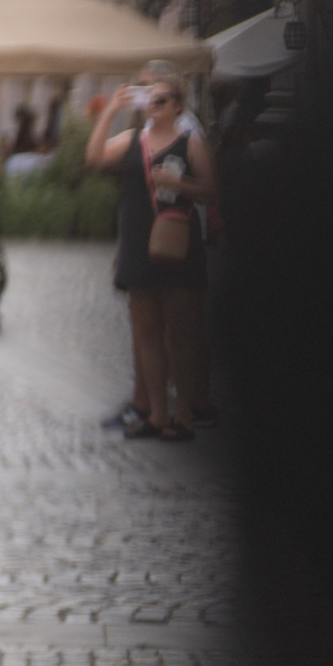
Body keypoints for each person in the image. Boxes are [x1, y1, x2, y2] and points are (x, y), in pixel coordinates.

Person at [86, 68, 216, 441]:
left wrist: (179, 183)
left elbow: (211, 190)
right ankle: (158, 414)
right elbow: (95, 157)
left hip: (176, 242)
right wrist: (110, 111)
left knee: (180, 333)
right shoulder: (131, 139)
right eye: (149, 99)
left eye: (161, 100)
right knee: (146, 333)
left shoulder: (190, 141)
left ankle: (185, 415)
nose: (152, 106)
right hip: (137, 243)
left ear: (177, 106)